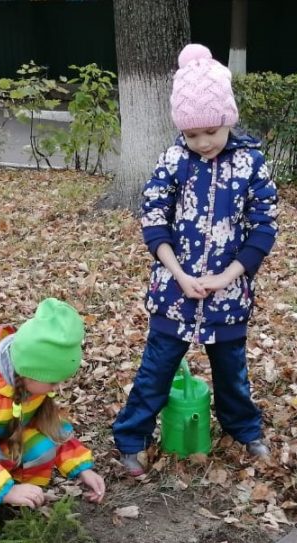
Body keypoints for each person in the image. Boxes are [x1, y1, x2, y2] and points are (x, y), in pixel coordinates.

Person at [112, 44, 279, 476]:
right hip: (174, 291)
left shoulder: (251, 164)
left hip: (229, 293)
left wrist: (229, 275)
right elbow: (153, 219)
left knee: (232, 373)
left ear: (227, 118)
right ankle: (131, 436)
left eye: (211, 131)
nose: (202, 142)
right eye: (192, 134)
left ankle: (244, 430)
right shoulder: (173, 161)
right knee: (156, 370)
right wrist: (178, 273)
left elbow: (264, 227)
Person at [0, 298, 107, 543]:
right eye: (53, 382)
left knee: (42, 444)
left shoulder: (29, 384)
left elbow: (50, 425)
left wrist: (82, 468)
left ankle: (19, 492)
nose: (57, 388)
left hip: (3, 441)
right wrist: (6, 489)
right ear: (31, 370)